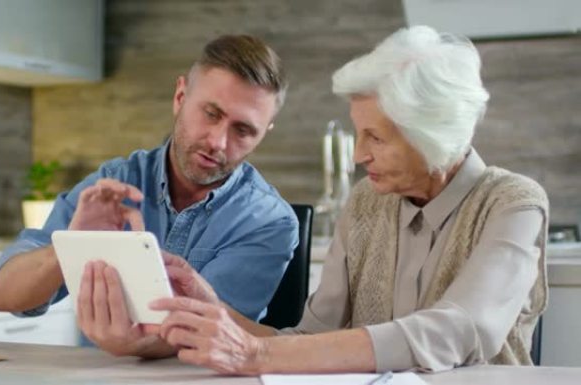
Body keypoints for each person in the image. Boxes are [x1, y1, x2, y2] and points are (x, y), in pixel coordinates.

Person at [148, 25, 549, 374]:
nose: (359, 155)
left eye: (375, 137)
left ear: (432, 136)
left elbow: (459, 330)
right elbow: (311, 339)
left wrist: (257, 353)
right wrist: (214, 311)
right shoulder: (365, 204)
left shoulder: (512, 203)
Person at [0, 34, 299, 358]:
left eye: (243, 130)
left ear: (263, 133)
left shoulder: (269, 220)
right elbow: (4, 295)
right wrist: (69, 245)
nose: (218, 142)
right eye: (211, 113)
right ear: (180, 96)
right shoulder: (115, 182)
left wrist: (131, 346)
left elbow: (209, 332)